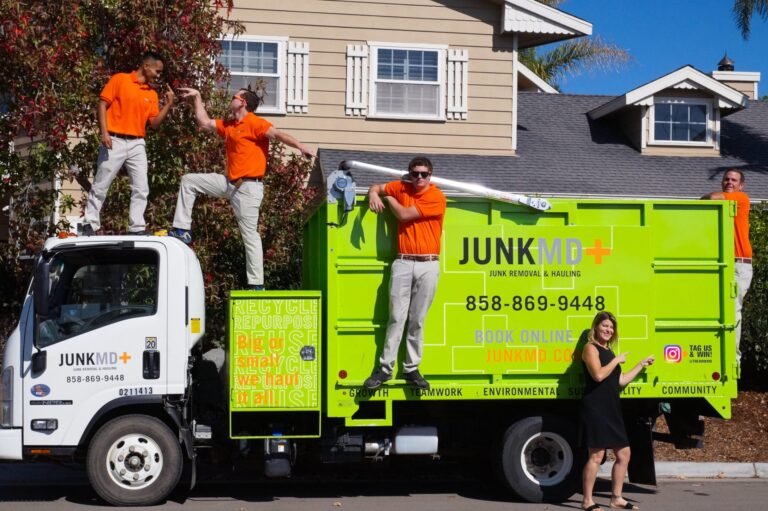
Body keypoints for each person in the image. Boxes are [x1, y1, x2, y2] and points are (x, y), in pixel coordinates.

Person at [168, 87, 315, 290]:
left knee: (250, 236)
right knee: (189, 180)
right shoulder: (230, 124)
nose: (231, 99)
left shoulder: (255, 123)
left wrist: (300, 146)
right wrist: (197, 98)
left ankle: (257, 284)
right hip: (229, 183)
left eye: (234, 97)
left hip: (248, 189)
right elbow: (204, 122)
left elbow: (278, 134)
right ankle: (182, 229)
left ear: (243, 102)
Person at [363, 157, 447, 391]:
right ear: (409, 173)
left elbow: (404, 215)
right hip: (403, 262)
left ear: (431, 175)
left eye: (424, 174)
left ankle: (411, 368)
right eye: (415, 173)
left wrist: (387, 197)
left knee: (417, 320)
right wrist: (373, 193)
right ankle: (385, 369)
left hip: (428, 264)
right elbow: (376, 186)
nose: (419, 178)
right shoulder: (401, 187)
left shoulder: (436, 197)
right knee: (396, 318)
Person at [83, 51, 175, 235]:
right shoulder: (120, 80)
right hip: (114, 139)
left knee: (141, 187)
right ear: (146, 66)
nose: (158, 75)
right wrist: (104, 132)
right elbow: (102, 104)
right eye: (157, 71)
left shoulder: (152, 93)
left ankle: (137, 227)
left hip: (137, 143)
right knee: (101, 183)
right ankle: (89, 224)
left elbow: (154, 124)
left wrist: (169, 104)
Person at [580, 311, 654, 511]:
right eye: (605, 326)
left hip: (611, 408)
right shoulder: (590, 348)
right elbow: (597, 375)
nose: (608, 330)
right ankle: (587, 500)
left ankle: (616, 498)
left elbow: (620, 381)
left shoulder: (609, 352)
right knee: (596, 455)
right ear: (596, 327)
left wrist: (640, 364)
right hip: (596, 408)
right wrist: (616, 361)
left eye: (611, 328)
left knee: (624, 454)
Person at [702, 169, 752, 362]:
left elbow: (712, 198)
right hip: (723, 263)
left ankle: (733, 359)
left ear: (741, 185)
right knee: (719, 310)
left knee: (732, 310)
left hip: (739, 264)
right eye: (726, 179)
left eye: (734, 180)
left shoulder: (741, 198)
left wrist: (704, 199)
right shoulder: (725, 204)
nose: (729, 182)